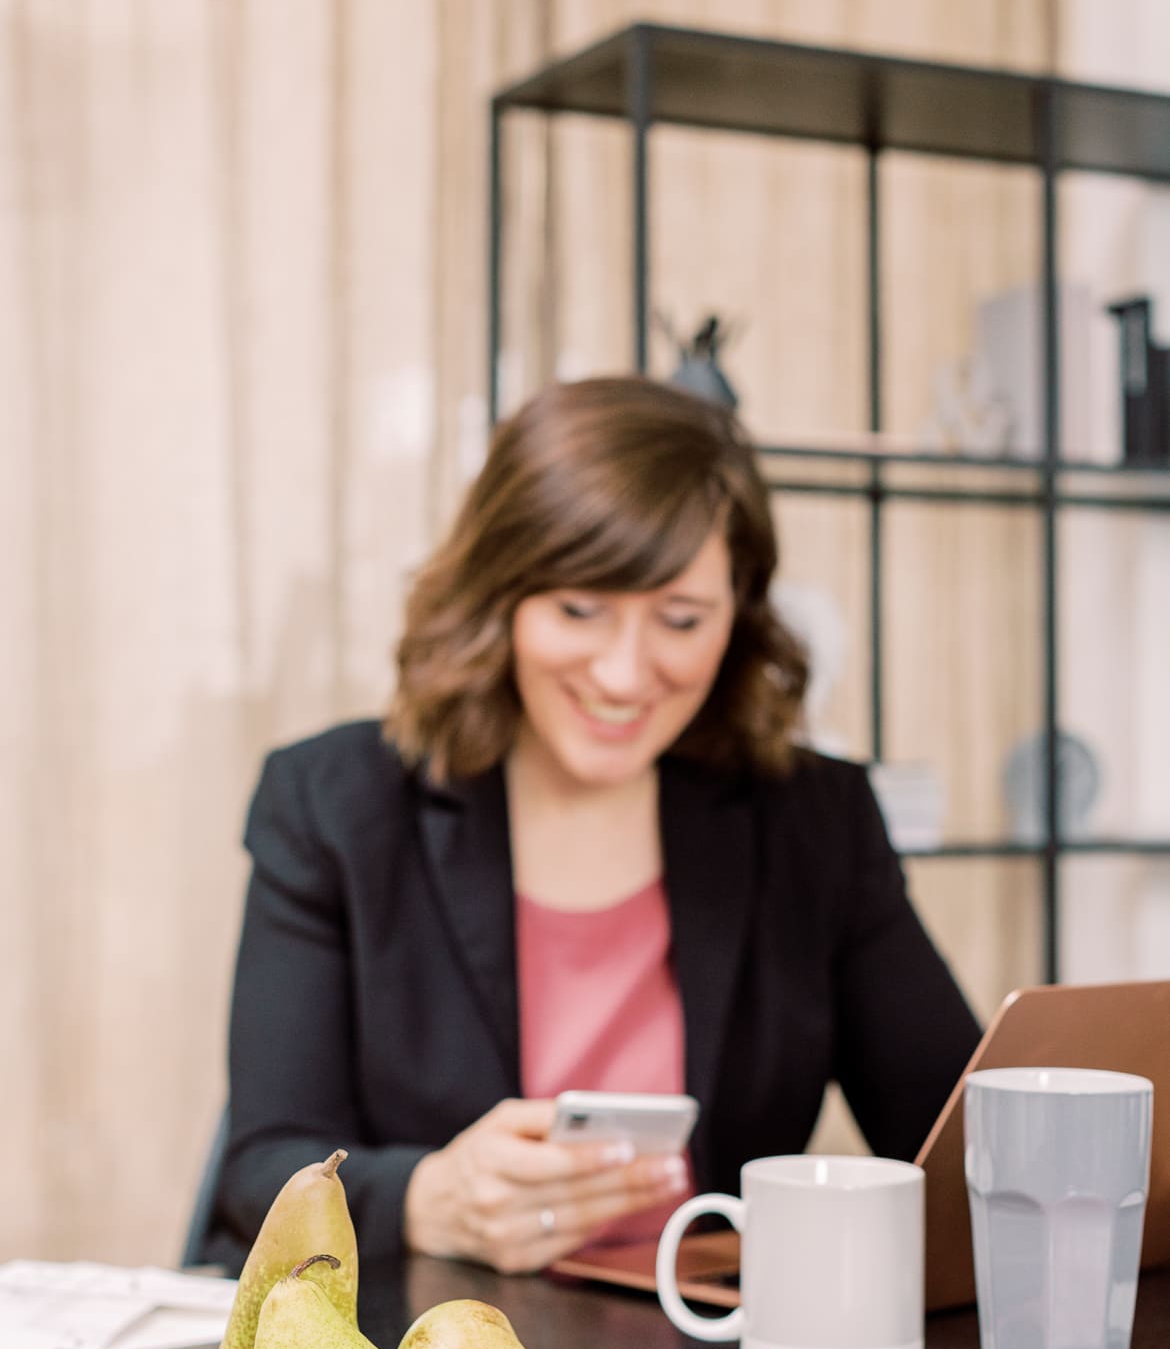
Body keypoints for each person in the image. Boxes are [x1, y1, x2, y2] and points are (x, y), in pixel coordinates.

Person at [205, 376, 980, 1279]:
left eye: (681, 620)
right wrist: (432, 1197)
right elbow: (260, 1171)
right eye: (580, 610)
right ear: (502, 597)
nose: (623, 673)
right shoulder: (332, 805)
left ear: (740, 618)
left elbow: (955, 1152)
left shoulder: (814, 819)